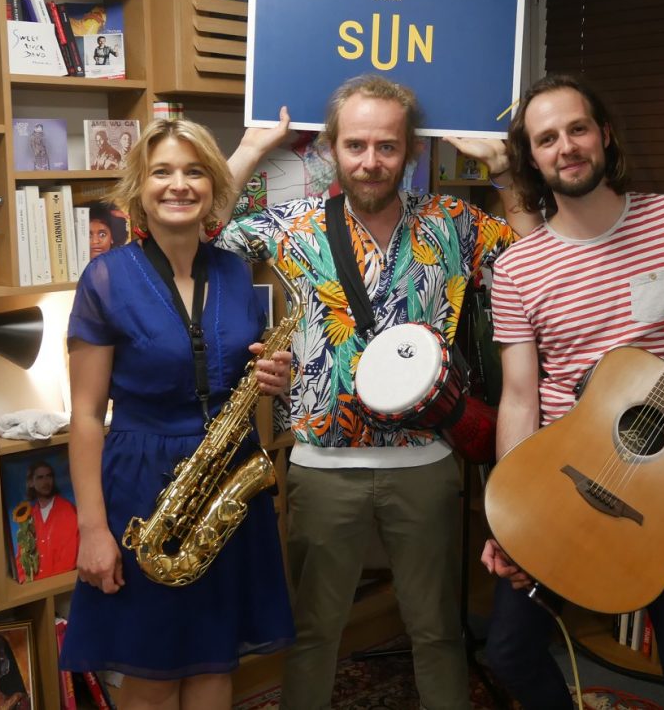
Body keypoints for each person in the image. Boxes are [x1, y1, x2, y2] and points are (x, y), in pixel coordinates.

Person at [213, 74, 537, 710]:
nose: (370, 161)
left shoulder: (453, 222)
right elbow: (198, 235)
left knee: (438, 634)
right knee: (314, 638)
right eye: (355, 145)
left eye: (387, 147)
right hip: (321, 467)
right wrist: (250, 151)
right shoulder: (295, 225)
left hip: (427, 462)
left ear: (411, 151)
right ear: (332, 148)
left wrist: (505, 171)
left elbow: (539, 261)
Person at [481, 73, 664, 709]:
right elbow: (519, 397)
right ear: (532, 158)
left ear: (603, 134)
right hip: (561, 481)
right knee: (510, 655)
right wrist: (510, 513)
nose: (566, 146)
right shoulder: (517, 267)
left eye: (577, 129)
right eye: (547, 139)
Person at [60, 117, 295, 709]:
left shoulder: (234, 271)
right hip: (142, 485)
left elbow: (247, 371)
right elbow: (86, 415)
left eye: (194, 172)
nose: (178, 185)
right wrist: (92, 530)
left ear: (213, 187)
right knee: (154, 667)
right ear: (140, 187)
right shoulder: (105, 278)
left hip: (226, 479)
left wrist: (275, 377)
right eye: (162, 172)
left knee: (216, 658)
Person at [14, 460, 78, 582]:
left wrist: (46, 586)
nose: (46, 482)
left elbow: (69, 559)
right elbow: (21, 557)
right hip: (33, 587)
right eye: (40, 478)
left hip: (58, 585)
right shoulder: (29, 516)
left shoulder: (66, 510)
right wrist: (24, 581)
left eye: (49, 476)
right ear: (31, 483)